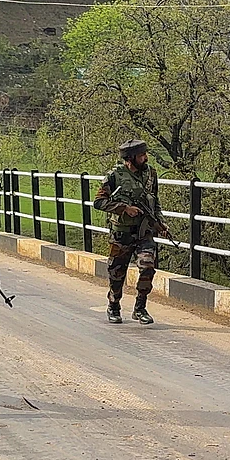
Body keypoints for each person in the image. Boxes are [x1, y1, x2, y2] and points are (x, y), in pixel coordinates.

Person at [93, 139, 168, 325]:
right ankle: (114, 305)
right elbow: (99, 202)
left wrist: (161, 223)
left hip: (145, 232)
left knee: (148, 267)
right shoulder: (114, 175)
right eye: (141, 155)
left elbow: (155, 201)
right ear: (130, 158)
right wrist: (124, 208)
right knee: (116, 273)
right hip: (122, 233)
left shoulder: (151, 174)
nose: (145, 158)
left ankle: (140, 307)